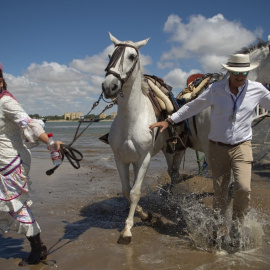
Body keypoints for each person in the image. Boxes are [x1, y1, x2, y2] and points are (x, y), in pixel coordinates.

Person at [149, 54, 270, 246]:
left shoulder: (257, 90)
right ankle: (217, 229)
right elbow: (193, 107)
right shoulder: (215, 89)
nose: (240, 76)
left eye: (244, 73)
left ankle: (237, 227)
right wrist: (170, 120)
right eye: (237, 73)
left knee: (243, 188)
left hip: (242, 146)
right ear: (229, 71)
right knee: (220, 193)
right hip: (217, 148)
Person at [0, 63, 62, 266]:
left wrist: (50, 142)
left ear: (1, 79)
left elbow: (28, 123)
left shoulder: (6, 102)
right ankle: (37, 245)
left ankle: (38, 247)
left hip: (12, 163)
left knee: (16, 205)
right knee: (7, 205)